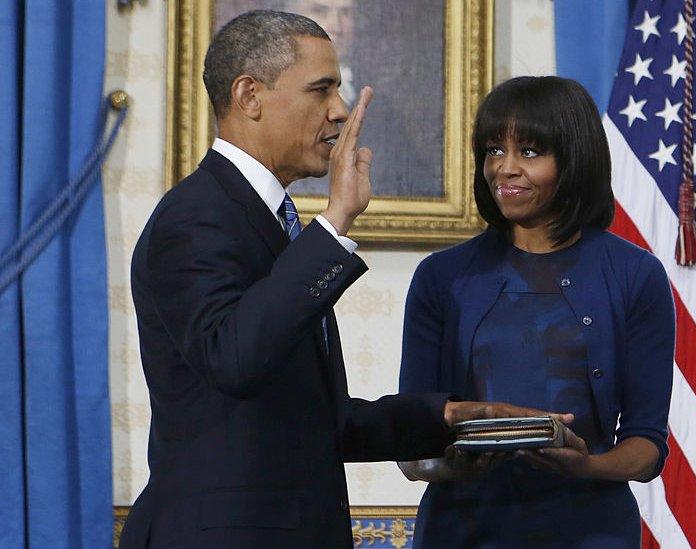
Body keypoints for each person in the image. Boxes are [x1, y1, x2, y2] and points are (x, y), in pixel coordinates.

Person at [118, 11, 560, 549]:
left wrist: (446, 417)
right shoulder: (196, 216)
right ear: (249, 96)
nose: (340, 110)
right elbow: (235, 358)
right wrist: (336, 224)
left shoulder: (267, 218)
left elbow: (306, 420)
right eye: (321, 90)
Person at [397, 76, 676, 548]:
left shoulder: (636, 275)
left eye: (528, 152)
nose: (504, 169)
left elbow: (646, 447)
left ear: (574, 159)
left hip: (591, 530)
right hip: (462, 529)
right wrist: (454, 463)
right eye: (492, 151)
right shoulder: (441, 277)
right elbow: (410, 442)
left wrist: (586, 465)